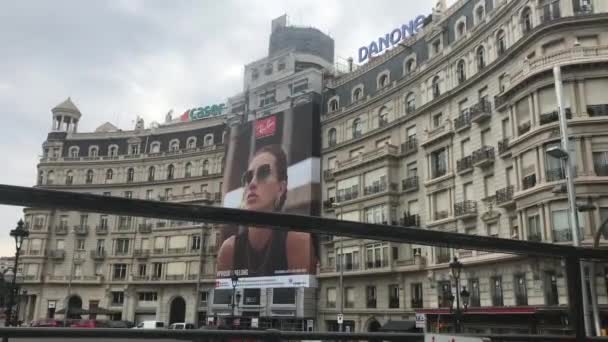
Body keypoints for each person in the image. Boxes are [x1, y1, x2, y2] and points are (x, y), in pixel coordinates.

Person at [217, 144, 315, 276]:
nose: (252, 183)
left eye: (263, 173)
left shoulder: (298, 242)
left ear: (281, 188)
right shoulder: (229, 249)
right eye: (248, 177)